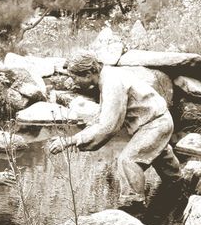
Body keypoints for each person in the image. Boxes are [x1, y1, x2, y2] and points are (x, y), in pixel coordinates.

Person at [49, 51, 182, 210]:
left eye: (74, 77)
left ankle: (133, 206)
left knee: (129, 160)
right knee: (162, 160)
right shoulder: (107, 76)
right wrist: (77, 137)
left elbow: (108, 127)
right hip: (157, 120)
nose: (72, 82)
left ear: (89, 73)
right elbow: (101, 118)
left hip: (155, 123)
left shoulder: (112, 83)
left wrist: (70, 141)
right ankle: (180, 189)